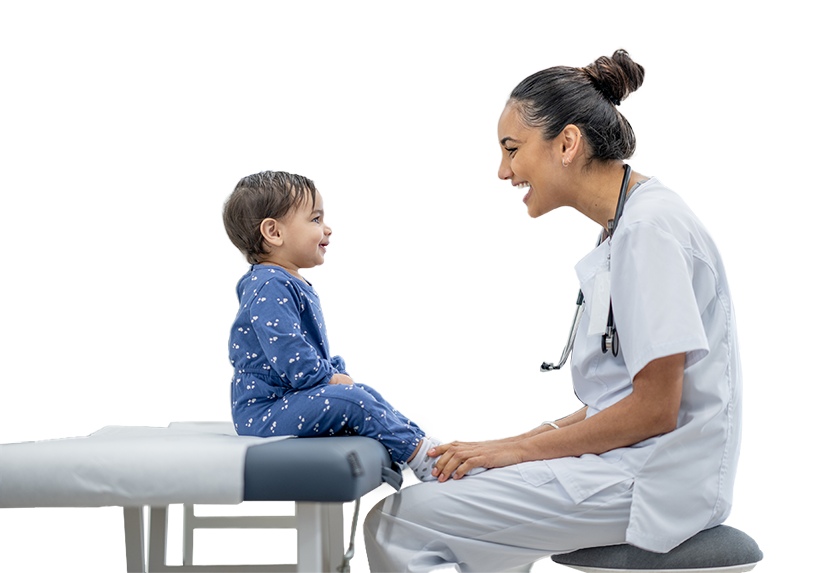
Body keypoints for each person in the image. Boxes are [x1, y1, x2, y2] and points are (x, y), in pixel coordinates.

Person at [363, 47, 744, 573]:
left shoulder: (649, 229)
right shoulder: (625, 224)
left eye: (512, 149)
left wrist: (518, 453)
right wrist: (507, 443)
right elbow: (616, 398)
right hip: (631, 464)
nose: (504, 171)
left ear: (567, 142)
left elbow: (655, 409)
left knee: (400, 522)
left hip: (658, 478)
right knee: (453, 494)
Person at [222, 169, 478, 481]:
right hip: (266, 413)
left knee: (360, 392)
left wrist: (334, 375)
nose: (327, 230)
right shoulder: (269, 285)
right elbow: (290, 354)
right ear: (274, 232)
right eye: (315, 220)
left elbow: (305, 351)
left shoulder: (286, 281)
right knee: (352, 400)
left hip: (287, 401)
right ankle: (426, 459)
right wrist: (328, 379)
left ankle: (421, 444)